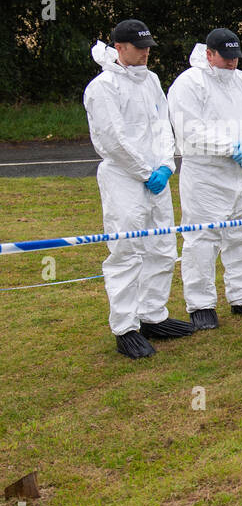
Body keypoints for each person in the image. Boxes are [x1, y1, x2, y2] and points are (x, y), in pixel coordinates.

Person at [83, 18, 195, 359]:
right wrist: (146, 171)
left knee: (161, 247)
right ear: (119, 47)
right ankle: (125, 327)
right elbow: (111, 140)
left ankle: (152, 316)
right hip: (124, 178)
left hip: (155, 177)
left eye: (149, 47)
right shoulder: (102, 88)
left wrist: (165, 164)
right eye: (139, 47)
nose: (146, 53)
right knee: (126, 251)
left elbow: (163, 124)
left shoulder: (151, 80)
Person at [167, 28, 242, 328]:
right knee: (203, 238)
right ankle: (201, 303)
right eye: (226, 57)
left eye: (235, 58)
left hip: (241, 174)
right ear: (209, 54)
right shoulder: (189, 83)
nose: (232, 63)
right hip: (206, 175)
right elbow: (189, 130)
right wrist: (230, 147)